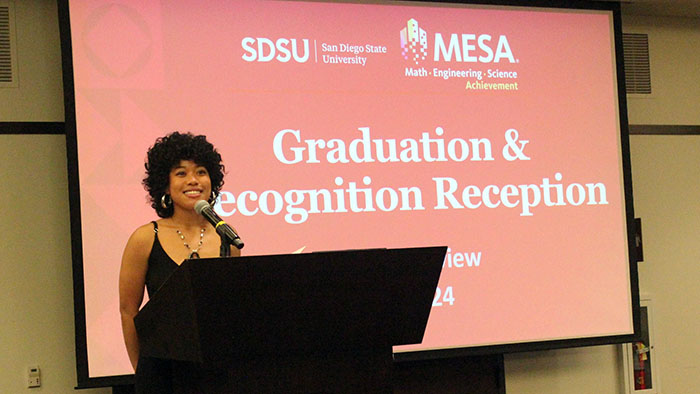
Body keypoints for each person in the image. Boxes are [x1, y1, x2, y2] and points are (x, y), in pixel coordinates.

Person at [118, 132, 240, 390]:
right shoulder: (145, 238)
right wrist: (142, 371)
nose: (193, 180)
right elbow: (129, 311)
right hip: (162, 374)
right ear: (165, 184)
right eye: (181, 173)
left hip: (215, 373)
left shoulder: (225, 237)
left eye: (201, 172)